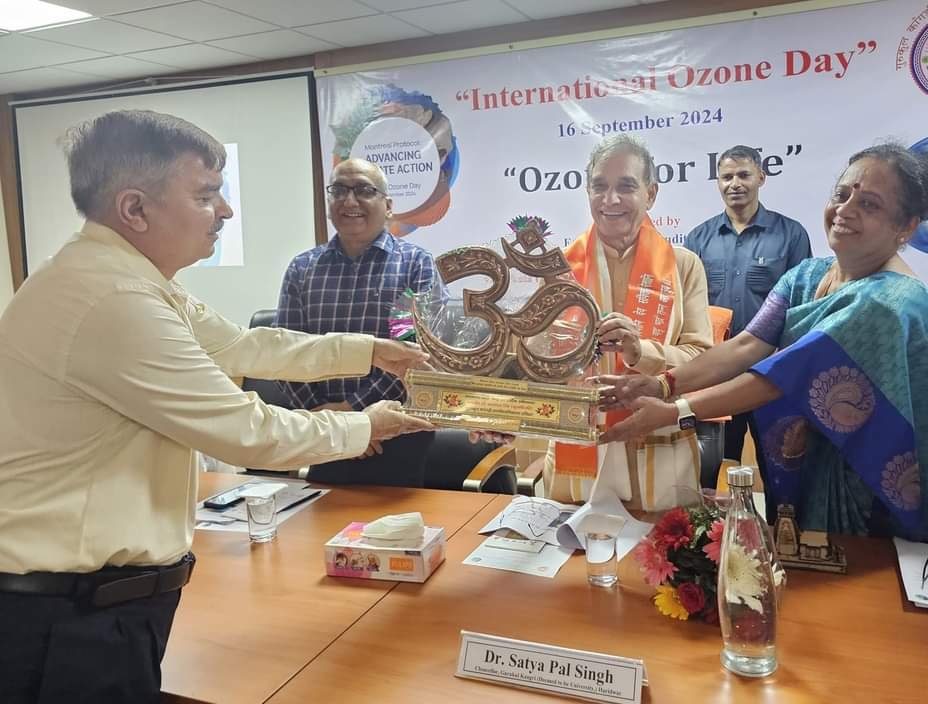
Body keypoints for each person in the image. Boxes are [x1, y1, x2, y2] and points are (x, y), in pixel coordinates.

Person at [0, 110, 435, 703]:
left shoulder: (126, 278)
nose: (226, 211)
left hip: (88, 603)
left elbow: (242, 345)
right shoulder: (113, 299)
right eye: (206, 196)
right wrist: (364, 425)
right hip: (67, 616)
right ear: (135, 209)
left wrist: (370, 351)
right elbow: (244, 431)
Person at [599, 144, 928, 548]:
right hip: (824, 459)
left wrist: (674, 410)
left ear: (905, 227)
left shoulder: (890, 301)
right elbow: (747, 344)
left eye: (869, 204)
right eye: (842, 194)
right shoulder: (808, 275)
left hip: (887, 481)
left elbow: (781, 377)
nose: (846, 210)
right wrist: (662, 383)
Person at [543, 134, 712, 511]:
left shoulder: (683, 266)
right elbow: (538, 362)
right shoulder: (558, 270)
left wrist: (641, 353)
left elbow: (703, 360)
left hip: (656, 448)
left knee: (659, 547)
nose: (611, 199)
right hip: (579, 450)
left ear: (651, 194)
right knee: (573, 543)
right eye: (599, 186)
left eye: (626, 186)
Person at [274, 158, 445, 486]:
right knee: (319, 515)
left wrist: (354, 412)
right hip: (325, 432)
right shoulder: (302, 269)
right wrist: (329, 418)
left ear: (388, 206)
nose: (349, 201)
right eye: (339, 191)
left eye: (364, 191)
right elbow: (285, 352)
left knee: (402, 520)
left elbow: (417, 355)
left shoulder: (416, 265)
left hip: (398, 434)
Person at [686, 145, 811, 465]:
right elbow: (688, 311)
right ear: (718, 182)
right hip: (717, 376)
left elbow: (803, 310)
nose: (735, 184)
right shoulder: (699, 239)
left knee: (779, 470)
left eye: (743, 175)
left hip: (771, 375)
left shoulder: (791, 234)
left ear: (761, 178)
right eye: (727, 177)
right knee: (711, 468)